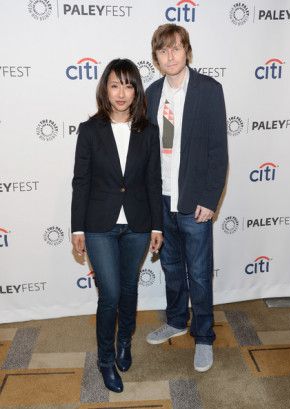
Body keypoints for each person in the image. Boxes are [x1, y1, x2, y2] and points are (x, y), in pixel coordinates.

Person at [71, 59, 163, 393]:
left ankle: (124, 342)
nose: (121, 93)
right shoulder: (90, 130)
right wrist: (77, 229)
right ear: (104, 89)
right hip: (99, 225)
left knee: (129, 289)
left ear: (136, 90)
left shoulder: (149, 131)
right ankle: (106, 360)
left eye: (127, 85)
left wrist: (157, 226)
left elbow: (154, 181)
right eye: (114, 85)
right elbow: (81, 182)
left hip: (138, 225)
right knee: (109, 294)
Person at [145, 24, 228, 372]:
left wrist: (211, 198)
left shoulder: (208, 90)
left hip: (194, 202)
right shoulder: (150, 94)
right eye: (164, 51)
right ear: (156, 58)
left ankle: (204, 335)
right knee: (171, 268)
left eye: (177, 49)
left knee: (198, 272)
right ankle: (177, 320)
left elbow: (217, 150)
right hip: (161, 200)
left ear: (187, 52)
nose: (171, 56)